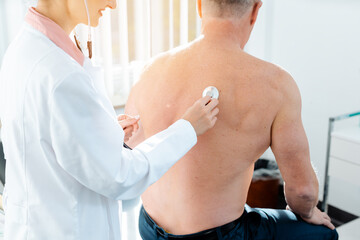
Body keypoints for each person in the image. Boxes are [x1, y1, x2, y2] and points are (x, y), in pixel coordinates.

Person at [0, 0, 220, 239]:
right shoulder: (60, 74)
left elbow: (49, 137)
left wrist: (104, 134)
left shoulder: (23, 47)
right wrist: (187, 128)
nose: (113, 4)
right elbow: (121, 177)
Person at [125, 0, 339, 239]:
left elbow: (132, 154)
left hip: (148, 227)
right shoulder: (276, 86)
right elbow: (303, 193)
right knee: (324, 232)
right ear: (255, 11)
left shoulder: (150, 70)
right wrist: (309, 213)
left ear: (199, 6)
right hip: (219, 236)